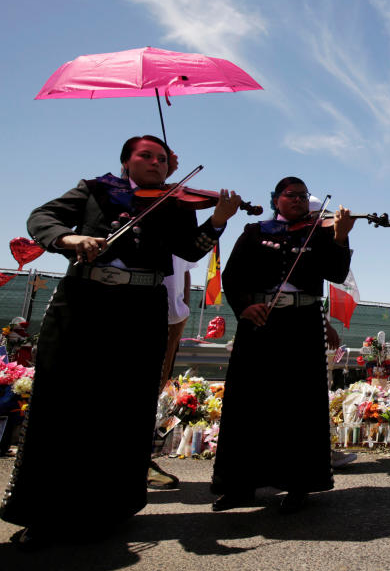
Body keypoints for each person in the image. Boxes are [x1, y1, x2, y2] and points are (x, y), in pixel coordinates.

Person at [1, 135, 240, 549]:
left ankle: (110, 507)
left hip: (141, 309)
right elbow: (41, 218)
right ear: (126, 161)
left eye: (162, 158)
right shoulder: (94, 189)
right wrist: (69, 239)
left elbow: (190, 250)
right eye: (145, 155)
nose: (155, 162)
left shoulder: (174, 202)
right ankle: (45, 511)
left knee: (126, 407)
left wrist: (217, 220)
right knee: (63, 405)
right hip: (84, 302)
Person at [211, 177, 355, 514]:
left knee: (299, 404)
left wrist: (341, 236)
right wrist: (244, 307)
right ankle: (238, 486)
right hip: (258, 321)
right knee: (246, 403)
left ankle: (298, 485)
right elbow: (232, 277)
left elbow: (336, 272)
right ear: (276, 199)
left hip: (302, 323)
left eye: (304, 196)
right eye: (291, 195)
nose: (299, 200)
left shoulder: (319, 233)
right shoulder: (253, 231)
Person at [148, 254, 196, 490]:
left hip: (172, 317)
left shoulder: (183, 220)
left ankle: (142, 461)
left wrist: (182, 309)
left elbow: (186, 270)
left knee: (157, 389)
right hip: (135, 306)